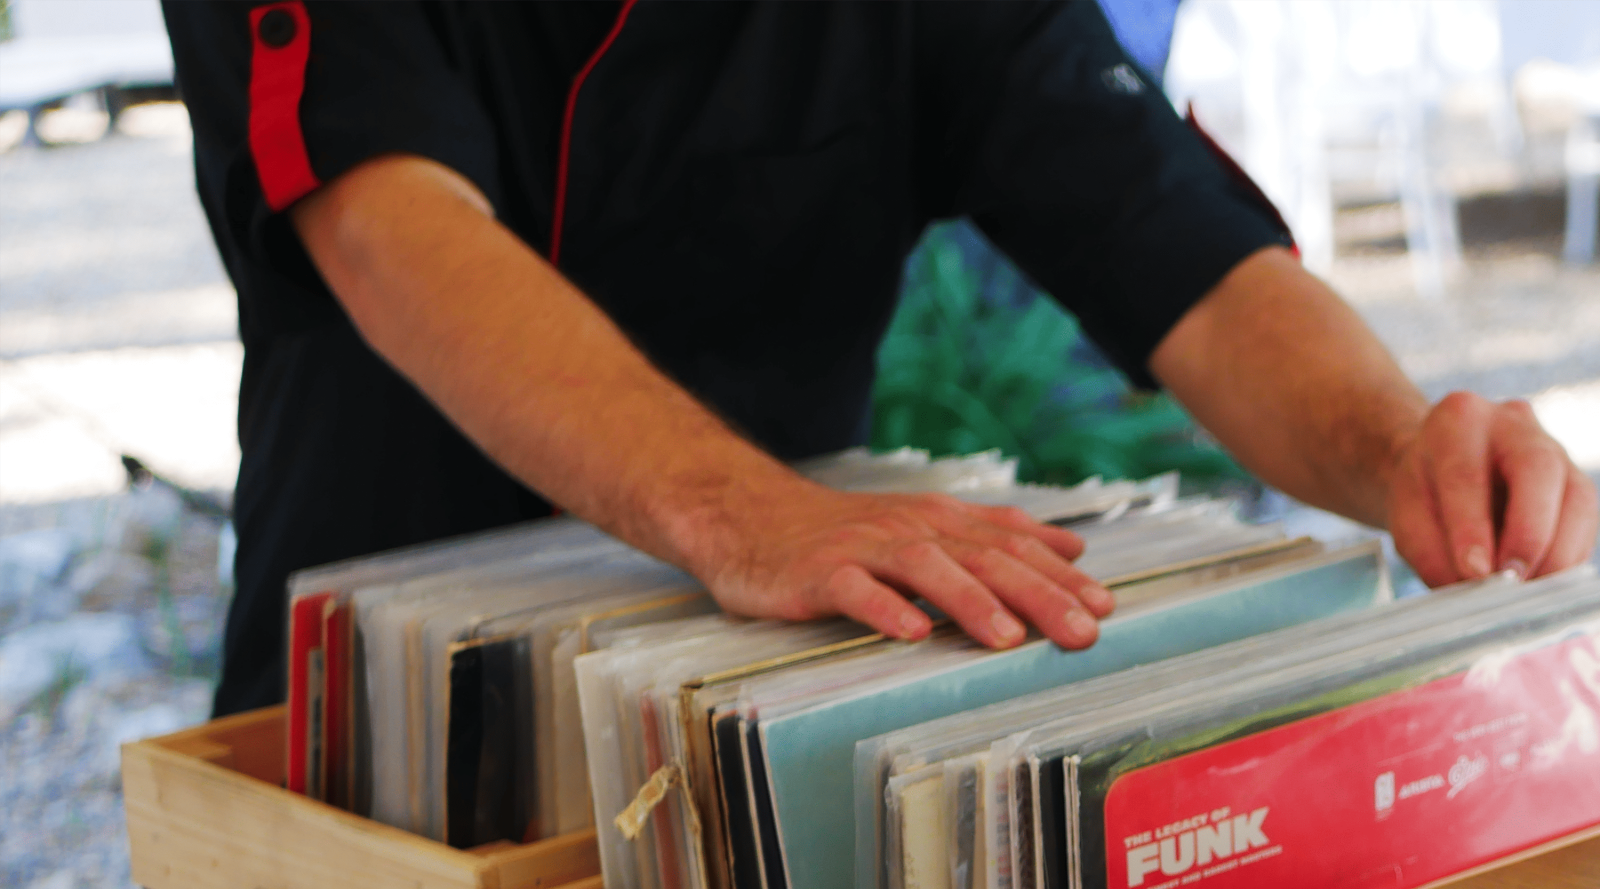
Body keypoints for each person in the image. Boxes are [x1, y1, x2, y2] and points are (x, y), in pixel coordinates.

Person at [163, 1, 1597, 718]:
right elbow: (390, 224)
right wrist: (739, 510)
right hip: (376, 692)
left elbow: (1178, 249)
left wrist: (1402, 452)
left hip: (777, 702)